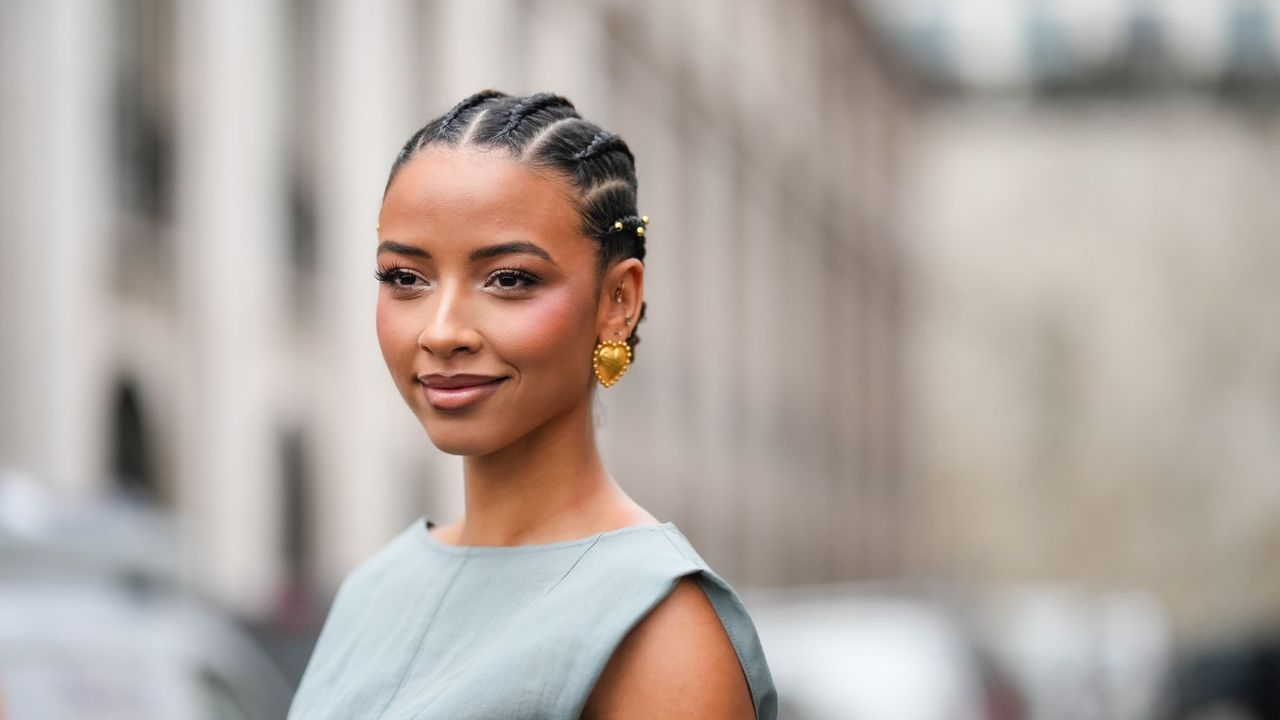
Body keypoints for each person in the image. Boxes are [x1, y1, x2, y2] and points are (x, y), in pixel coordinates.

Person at [287, 90, 778, 720]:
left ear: (616, 303)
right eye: (405, 278)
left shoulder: (657, 627)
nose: (441, 331)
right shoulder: (372, 590)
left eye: (510, 279)